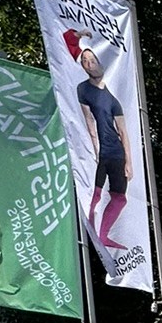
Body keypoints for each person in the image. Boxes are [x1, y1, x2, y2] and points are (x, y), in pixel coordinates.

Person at [64, 29, 131, 249]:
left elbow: (123, 132)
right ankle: (91, 230)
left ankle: (103, 235)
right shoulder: (83, 88)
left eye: (92, 60)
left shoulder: (113, 100)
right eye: (85, 61)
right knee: (94, 194)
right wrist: (80, 34)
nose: (89, 63)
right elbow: (88, 121)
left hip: (116, 153)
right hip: (99, 152)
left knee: (119, 198)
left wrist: (129, 162)